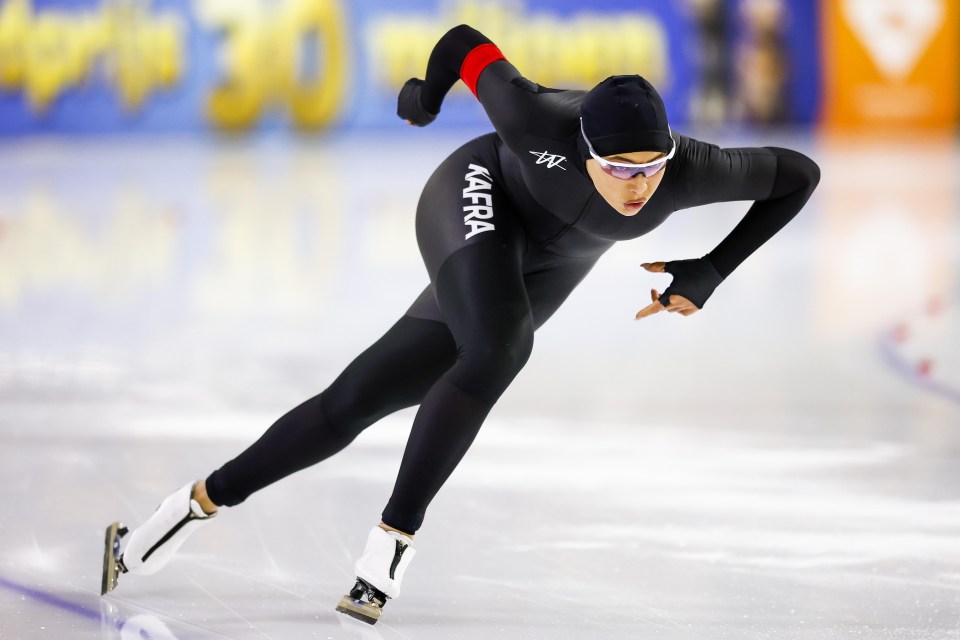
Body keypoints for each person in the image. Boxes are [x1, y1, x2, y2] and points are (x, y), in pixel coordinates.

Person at [100, 24, 820, 625]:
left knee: (358, 400)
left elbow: (798, 175)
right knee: (501, 346)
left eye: (652, 168)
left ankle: (188, 506)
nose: (639, 186)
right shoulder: (535, 116)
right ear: (583, 150)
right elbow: (463, 42)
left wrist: (713, 269)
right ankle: (393, 540)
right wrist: (426, 97)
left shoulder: (693, 169)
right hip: (476, 197)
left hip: (555, 262)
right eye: (618, 168)